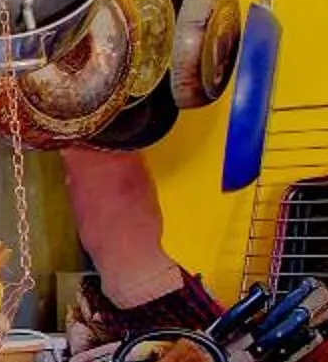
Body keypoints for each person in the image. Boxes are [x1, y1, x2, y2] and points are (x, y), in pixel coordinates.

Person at [61, 147, 223, 342]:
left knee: (222, 343)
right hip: (146, 287)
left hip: (146, 288)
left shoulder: (99, 155)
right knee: (223, 341)